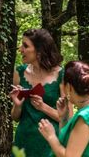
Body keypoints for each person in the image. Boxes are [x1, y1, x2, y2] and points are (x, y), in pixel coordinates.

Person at [37, 61, 89, 157]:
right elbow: (68, 143)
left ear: (68, 87)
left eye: (62, 84)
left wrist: (51, 136)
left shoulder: (87, 116)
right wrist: (63, 117)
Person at [9, 28, 64, 157]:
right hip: (23, 142)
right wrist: (17, 104)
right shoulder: (19, 72)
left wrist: (43, 107)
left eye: (25, 45)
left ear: (40, 50)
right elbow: (15, 117)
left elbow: (67, 119)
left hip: (50, 143)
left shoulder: (61, 75)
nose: (20, 49)